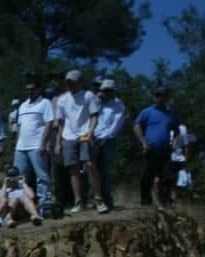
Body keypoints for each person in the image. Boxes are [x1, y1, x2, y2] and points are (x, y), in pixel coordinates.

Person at [54, 70, 100, 214]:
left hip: (85, 134)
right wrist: (58, 142)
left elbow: (94, 116)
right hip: (68, 136)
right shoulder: (62, 99)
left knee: (90, 164)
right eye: (68, 82)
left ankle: (99, 199)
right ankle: (78, 202)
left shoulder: (88, 96)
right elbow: (61, 123)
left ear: (80, 82)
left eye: (73, 82)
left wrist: (91, 130)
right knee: (73, 169)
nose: (70, 85)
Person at [12, 80, 55, 216]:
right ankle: (20, 207)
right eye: (27, 89)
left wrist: (44, 143)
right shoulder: (23, 106)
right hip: (21, 147)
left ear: (38, 89)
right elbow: (19, 126)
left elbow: (49, 123)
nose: (30, 91)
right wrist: (17, 143)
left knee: (42, 176)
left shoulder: (45, 103)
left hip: (36, 145)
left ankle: (45, 205)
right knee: (18, 178)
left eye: (32, 89)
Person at [135, 88, 181, 209]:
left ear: (166, 98)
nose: (160, 98)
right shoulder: (147, 112)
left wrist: (175, 143)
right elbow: (137, 126)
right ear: (155, 97)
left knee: (166, 177)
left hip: (165, 149)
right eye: (158, 96)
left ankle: (165, 202)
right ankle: (146, 201)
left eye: (163, 96)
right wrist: (143, 142)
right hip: (150, 148)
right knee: (146, 175)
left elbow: (177, 131)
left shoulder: (171, 114)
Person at [89, 80, 126, 211]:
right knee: (92, 171)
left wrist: (103, 138)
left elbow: (115, 126)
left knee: (105, 170)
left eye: (108, 91)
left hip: (107, 141)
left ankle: (107, 200)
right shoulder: (96, 103)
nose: (105, 93)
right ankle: (95, 199)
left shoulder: (118, 105)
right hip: (92, 138)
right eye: (103, 90)